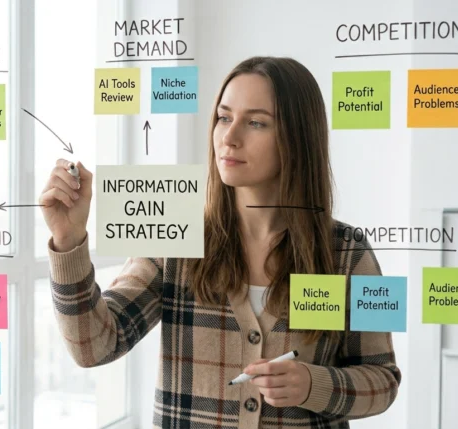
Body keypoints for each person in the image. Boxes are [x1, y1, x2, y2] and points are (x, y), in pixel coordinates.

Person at [39, 56, 401, 428]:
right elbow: (94, 345)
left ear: (298, 136)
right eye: (224, 118)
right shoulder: (175, 235)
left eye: (256, 122)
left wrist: (315, 385)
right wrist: (68, 241)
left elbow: (385, 379)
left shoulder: (351, 253)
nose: (229, 138)